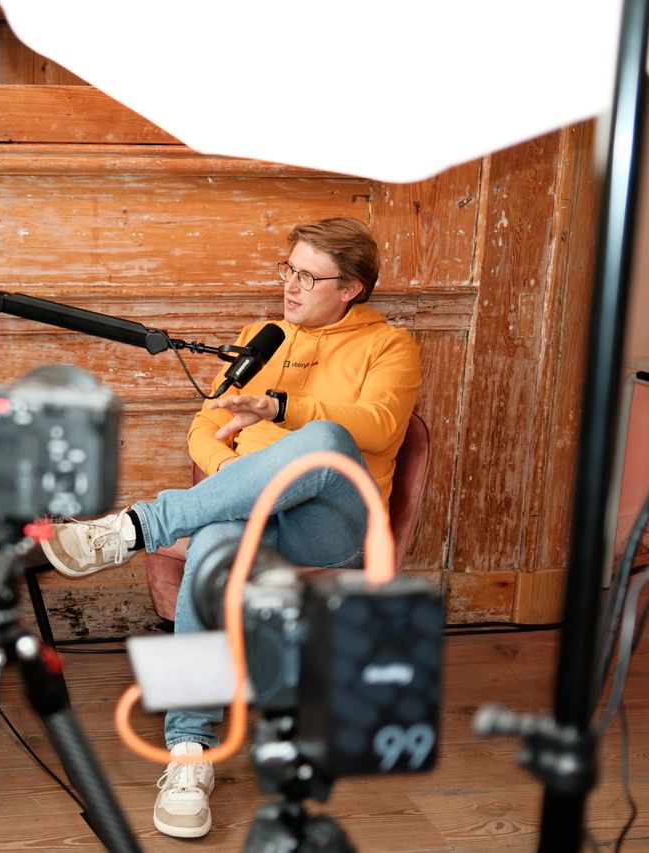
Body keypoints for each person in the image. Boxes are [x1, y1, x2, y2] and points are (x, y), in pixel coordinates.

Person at [41, 217, 421, 839]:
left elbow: (375, 426)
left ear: (351, 287)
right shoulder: (261, 338)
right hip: (252, 507)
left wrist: (280, 409)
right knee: (216, 542)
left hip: (334, 522)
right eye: (288, 270)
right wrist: (233, 471)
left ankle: (138, 526)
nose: (291, 286)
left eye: (308, 275)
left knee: (322, 439)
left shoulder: (390, 346)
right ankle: (190, 753)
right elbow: (203, 427)